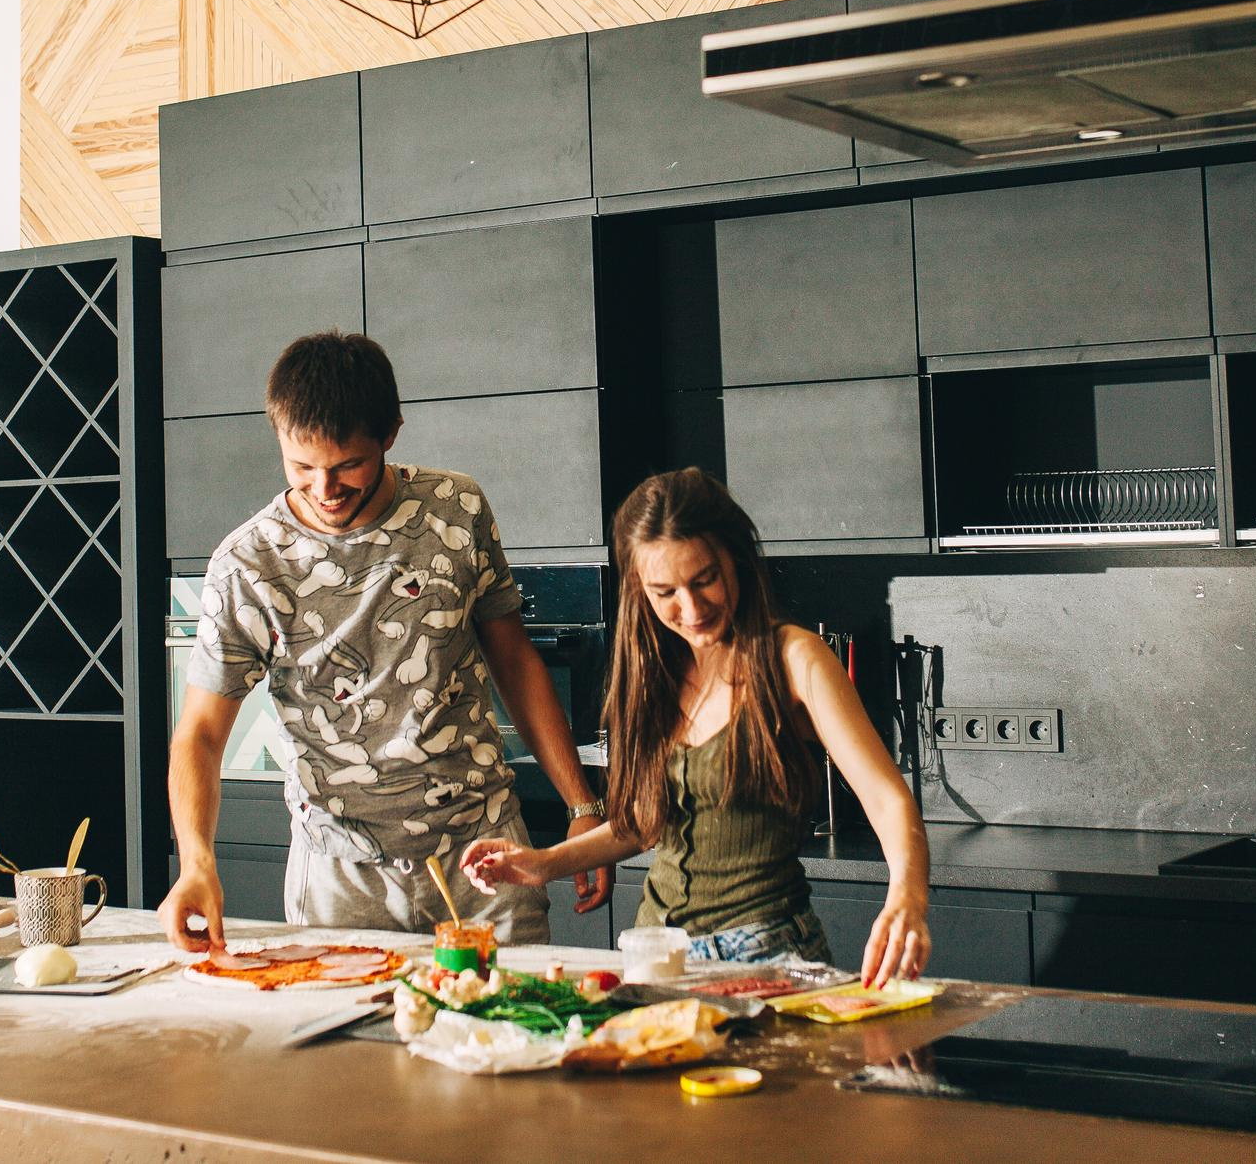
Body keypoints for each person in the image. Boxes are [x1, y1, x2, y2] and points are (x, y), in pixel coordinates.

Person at [157, 331, 611, 951]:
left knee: (510, 1011)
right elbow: (200, 735)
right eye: (302, 467)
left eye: (348, 465)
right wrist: (196, 863)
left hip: (484, 853)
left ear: (390, 434)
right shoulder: (247, 563)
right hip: (340, 876)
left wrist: (582, 808)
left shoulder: (456, 508)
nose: (325, 489)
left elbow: (514, 659)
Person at [461, 468, 932, 985]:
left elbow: (885, 798)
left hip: (764, 951)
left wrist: (906, 898)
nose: (691, 608)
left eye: (704, 579)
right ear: (640, 590)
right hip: (656, 950)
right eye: (665, 591)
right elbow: (646, 822)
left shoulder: (793, 658)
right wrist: (544, 863)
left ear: (736, 558)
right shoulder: (653, 673)